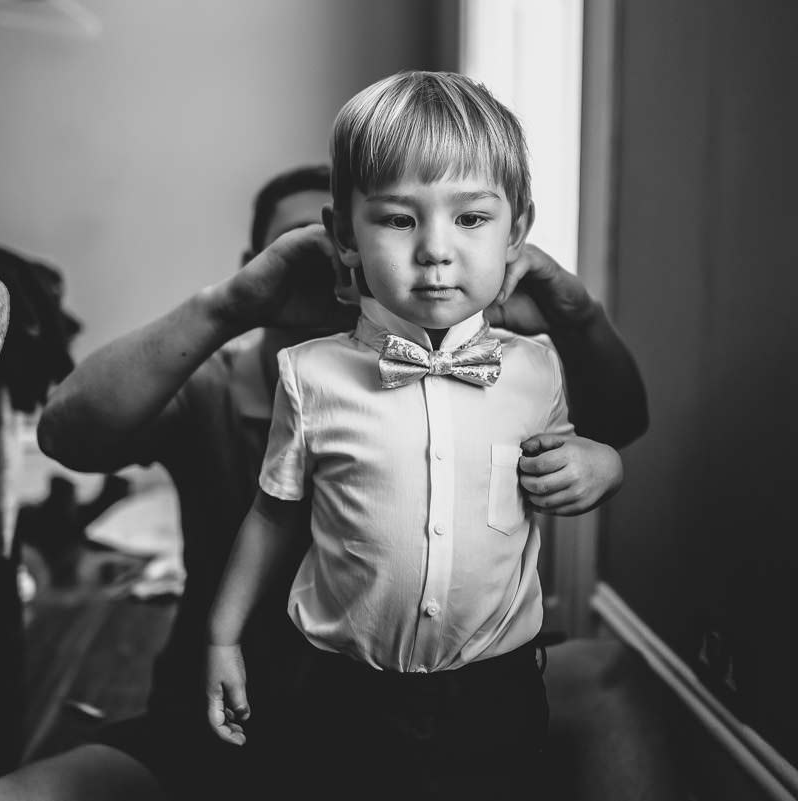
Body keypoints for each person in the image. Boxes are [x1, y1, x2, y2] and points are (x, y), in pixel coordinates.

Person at [0, 153, 644, 801]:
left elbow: (619, 423)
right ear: (257, 258)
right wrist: (231, 303)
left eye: (353, 248)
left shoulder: (462, 365)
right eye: (302, 250)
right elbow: (64, 433)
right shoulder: (216, 383)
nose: (332, 269)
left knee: (606, 675)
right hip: (227, 715)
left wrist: (574, 314)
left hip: (425, 705)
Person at [205, 70, 619, 801]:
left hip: (497, 693)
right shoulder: (309, 375)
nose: (435, 248)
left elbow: (569, 455)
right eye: (398, 219)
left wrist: (602, 464)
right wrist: (223, 635)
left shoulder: (537, 370)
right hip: (339, 692)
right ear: (344, 237)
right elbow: (272, 517)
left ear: (516, 229)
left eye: (471, 218)